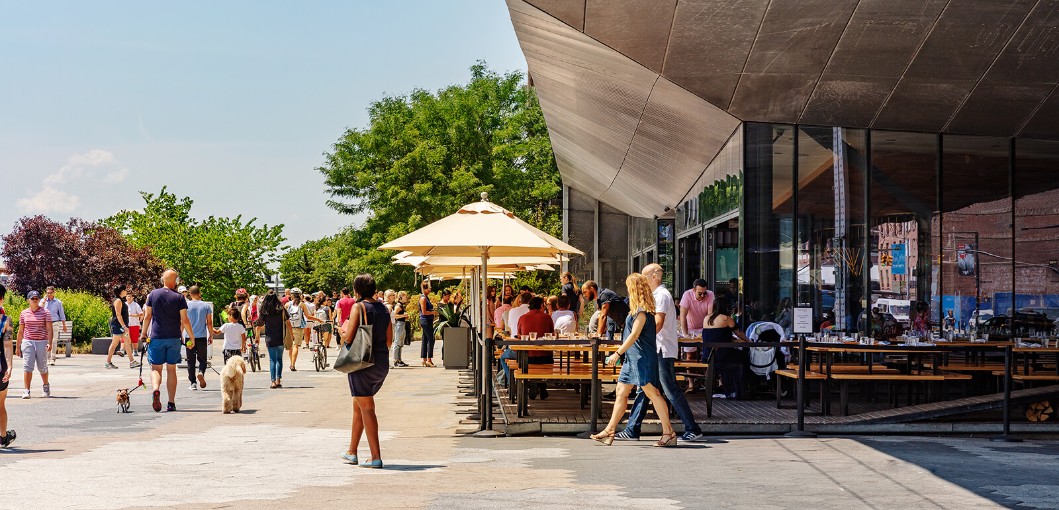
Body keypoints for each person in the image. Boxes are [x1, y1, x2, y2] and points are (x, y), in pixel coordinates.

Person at [617, 264, 703, 442]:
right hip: (655, 349)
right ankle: (632, 429)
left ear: (655, 276)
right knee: (646, 388)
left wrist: (639, 338)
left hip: (661, 349)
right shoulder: (655, 296)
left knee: (668, 389)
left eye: (645, 277)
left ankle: (692, 428)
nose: (642, 280)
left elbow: (657, 324)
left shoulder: (662, 296)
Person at [590, 273, 676, 447]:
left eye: (629, 286)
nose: (627, 289)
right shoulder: (636, 310)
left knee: (654, 393)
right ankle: (610, 430)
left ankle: (669, 432)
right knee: (621, 392)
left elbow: (635, 335)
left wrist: (617, 353)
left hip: (642, 358)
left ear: (635, 289)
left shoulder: (642, 312)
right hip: (633, 358)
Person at [339, 273, 392, 469]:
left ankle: (376, 456)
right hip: (381, 363)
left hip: (362, 363)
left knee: (367, 407)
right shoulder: (384, 308)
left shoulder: (358, 307)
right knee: (358, 405)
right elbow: (388, 341)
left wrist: (341, 330)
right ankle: (352, 451)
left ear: (357, 290)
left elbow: (349, 338)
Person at [140, 269, 196, 412]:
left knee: (156, 368)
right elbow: (185, 319)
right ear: (176, 281)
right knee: (171, 369)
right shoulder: (179, 298)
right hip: (174, 338)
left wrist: (143, 333)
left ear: (162, 280)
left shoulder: (153, 294)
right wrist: (192, 337)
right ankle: (171, 403)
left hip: (156, 337)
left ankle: (156, 389)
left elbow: (147, 316)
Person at [702, 296, 751, 399]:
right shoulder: (726, 319)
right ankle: (739, 389)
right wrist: (750, 342)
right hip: (722, 354)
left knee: (735, 357)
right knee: (743, 357)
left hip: (708, 355)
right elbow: (740, 334)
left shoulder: (706, 318)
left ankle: (729, 387)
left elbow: (715, 335)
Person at [16, 290, 53, 399]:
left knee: (42, 367)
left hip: (41, 341)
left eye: (37, 298)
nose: (35, 300)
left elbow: (49, 329)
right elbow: (21, 331)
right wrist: (18, 346)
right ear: (28, 300)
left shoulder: (45, 312)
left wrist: (49, 343)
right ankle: (27, 390)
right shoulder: (24, 313)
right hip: (28, 341)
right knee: (27, 367)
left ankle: (46, 386)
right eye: (33, 298)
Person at [518, 296, 555, 399]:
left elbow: (519, 334)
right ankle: (542, 386)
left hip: (528, 357)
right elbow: (552, 334)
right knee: (545, 362)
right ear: (541, 305)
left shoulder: (522, 317)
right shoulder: (547, 317)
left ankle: (533, 383)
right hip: (545, 356)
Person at [255, 290, 292, 388]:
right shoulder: (281, 309)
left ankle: (273, 382)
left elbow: (259, 325)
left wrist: (257, 337)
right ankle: (279, 380)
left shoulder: (264, 311)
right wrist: (291, 335)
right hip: (281, 337)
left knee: (272, 360)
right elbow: (288, 323)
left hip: (270, 338)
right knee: (279, 359)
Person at [184, 285, 213, 391]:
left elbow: (183, 321)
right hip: (201, 337)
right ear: (199, 293)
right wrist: (211, 335)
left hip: (189, 337)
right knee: (202, 359)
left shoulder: (186, 305)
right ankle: (201, 372)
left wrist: (180, 334)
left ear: (190, 294)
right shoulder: (206, 306)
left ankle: (193, 383)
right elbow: (209, 323)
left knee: (190, 360)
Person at [105, 285, 140, 369]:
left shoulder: (120, 300)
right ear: (121, 291)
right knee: (114, 343)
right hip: (119, 326)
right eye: (124, 290)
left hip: (122, 326)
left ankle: (132, 361)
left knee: (128, 342)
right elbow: (118, 314)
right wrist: (124, 326)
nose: (126, 291)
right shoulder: (118, 301)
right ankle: (108, 362)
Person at [679, 279, 714, 362]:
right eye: (700, 293)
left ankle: (705, 373)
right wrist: (685, 334)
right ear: (693, 290)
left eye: (704, 293)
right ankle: (689, 374)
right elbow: (683, 316)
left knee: (707, 354)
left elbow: (710, 315)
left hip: (704, 328)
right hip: (690, 328)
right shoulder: (687, 295)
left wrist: (708, 331)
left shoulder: (710, 294)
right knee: (690, 355)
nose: (702, 295)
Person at [286, 288, 320, 372]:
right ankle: (293, 364)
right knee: (296, 346)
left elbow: (284, 317)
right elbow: (308, 316)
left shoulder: (287, 304)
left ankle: (291, 363)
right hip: (298, 327)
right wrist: (318, 319)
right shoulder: (302, 304)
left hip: (288, 327)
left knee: (290, 346)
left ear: (292, 295)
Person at [1, 284, 17, 447]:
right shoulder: (6, 321)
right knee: (0, 403)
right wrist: (10, 366)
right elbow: (7, 346)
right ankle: (3, 436)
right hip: (1, 366)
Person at [40, 286, 67, 365]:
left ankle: (52, 358)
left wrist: (64, 325)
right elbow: (38, 309)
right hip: (45, 323)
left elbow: (61, 314)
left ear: (54, 292)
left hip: (55, 323)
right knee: (46, 341)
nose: (49, 294)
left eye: (50, 293)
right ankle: (47, 358)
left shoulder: (58, 302)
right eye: (48, 293)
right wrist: (44, 301)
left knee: (54, 341)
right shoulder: (43, 301)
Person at [419, 280, 437, 367]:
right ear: (425, 289)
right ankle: (429, 359)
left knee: (425, 339)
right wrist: (433, 312)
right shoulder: (423, 298)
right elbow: (424, 312)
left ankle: (424, 359)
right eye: (429, 288)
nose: (430, 290)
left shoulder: (426, 297)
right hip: (425, 320)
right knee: (431, 339)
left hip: (428, 320)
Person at [389, 291, 409, 367]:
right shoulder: (398, 306)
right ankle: (396, 360)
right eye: (405, 296)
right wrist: (403, 315)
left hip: (401, 324)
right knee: (397, 342)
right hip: (399, 325)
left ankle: (399, 359)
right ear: (401, 297)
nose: (406, 298)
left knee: (400, 342)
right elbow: (395, 316)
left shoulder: (400, 305)